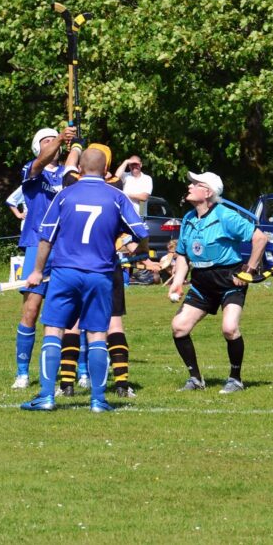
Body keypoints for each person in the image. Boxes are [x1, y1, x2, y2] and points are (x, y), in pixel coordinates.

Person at [20, 148, 150, 412]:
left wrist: (36, 271)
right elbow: (140, 231)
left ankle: (46, 397)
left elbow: (46, 238)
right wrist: (141, 250)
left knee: (54, 330)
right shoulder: (117, 196)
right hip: (100, 274)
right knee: (97, 334)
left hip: (64, 272)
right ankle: (98, 400)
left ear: (79, 169)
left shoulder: (64, 195)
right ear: (105, 171)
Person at [55, 142, 157, 399]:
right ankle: (121, 384)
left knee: (72, 324)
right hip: (105, 265)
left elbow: (69, 166)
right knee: (113, 323)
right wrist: (139, 250)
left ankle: (66, 383)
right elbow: (137, 231)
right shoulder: (116, 188)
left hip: (72, 265)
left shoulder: (70, 185)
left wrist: (75, 144)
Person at [168, 171, 268, 395]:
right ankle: (195, 379)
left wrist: (249, 271)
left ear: (208, 192)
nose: (190, 186)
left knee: (230, 328)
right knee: (179, 327)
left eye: (196, 183)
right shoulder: (189, 218)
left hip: (229, 280)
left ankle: (235, 379)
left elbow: (260, 238)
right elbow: (183, 254)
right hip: (202, 282)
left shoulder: (225, 215)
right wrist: (177, 282)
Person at [11, 126, 76, 389]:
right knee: (31, 310)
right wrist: (60, 137)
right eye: (46, 141)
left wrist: (77, 146)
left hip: (68, 247)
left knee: (73, 314)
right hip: (37, 246)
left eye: (56, 141)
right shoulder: (32, 169)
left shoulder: (72, 172)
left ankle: (78, 370)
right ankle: (23, 373)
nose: (53, 144)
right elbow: (40, 162)